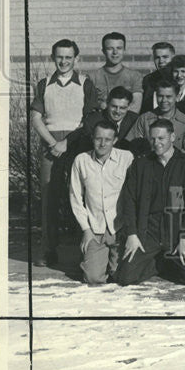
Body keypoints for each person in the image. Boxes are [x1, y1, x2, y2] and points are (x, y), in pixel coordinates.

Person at [30, 39, 97, 265]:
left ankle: (85, 249)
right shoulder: (44, 83)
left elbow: (89, 119)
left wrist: (67, 143)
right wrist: (52, 143)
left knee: (80, 195)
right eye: (60, 57)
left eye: (69, 57)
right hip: (51, 144)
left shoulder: (86, 83)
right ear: (53, 57)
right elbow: (36, 118)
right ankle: (49, 249)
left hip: (77, 143)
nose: (64, 61)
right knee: (49, 195)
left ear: (76, 59)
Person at [117, 119, 185, 286]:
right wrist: (132, 234)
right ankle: (157, 262)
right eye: (153, 139)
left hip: (174, 231)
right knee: (125, 278)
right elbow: (129, 201)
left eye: (161, 138)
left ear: (172, 137)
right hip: (149, 232)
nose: (156, 143)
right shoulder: (141, 164)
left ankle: (164, 262)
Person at [69, 116, 134, 285]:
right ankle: (94, 259)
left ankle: (111, 264)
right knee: (92, 278)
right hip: (95, 229)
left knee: (122, 277)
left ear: (115, 140)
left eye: (108, 139)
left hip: (119, 229)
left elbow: (134, 195)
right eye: (98, 139)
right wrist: (86, 230)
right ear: (92, 138)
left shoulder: (127, 158)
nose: (102, 144)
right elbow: (75, 198)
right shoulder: (81, 161)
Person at [127, 77, 185, 157]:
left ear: (177, 97)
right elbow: (133, 147)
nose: (164, 100)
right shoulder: (144, 119)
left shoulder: (184, 122)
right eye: (160, 96)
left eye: (168, 97)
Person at [69, 86, 139, 156]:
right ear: (107, 104)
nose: (117, 111)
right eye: (114, 106)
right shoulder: (93, 120)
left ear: (129, 107)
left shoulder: (135, 120)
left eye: (122, 108)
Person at [89, 32, 142, 112]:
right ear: (103, 51)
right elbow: (90, 107)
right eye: (110, 48)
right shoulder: (92, 77)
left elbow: (135, 107)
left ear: (124, 50)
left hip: (126, 123)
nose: (115, 52)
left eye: (119, 48)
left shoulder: (134, 77)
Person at [140, 42, 175, 113]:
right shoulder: (148, 80)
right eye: (157, 58)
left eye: (165, 57)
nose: (161, 61)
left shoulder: (179, 78)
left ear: (173, 58)